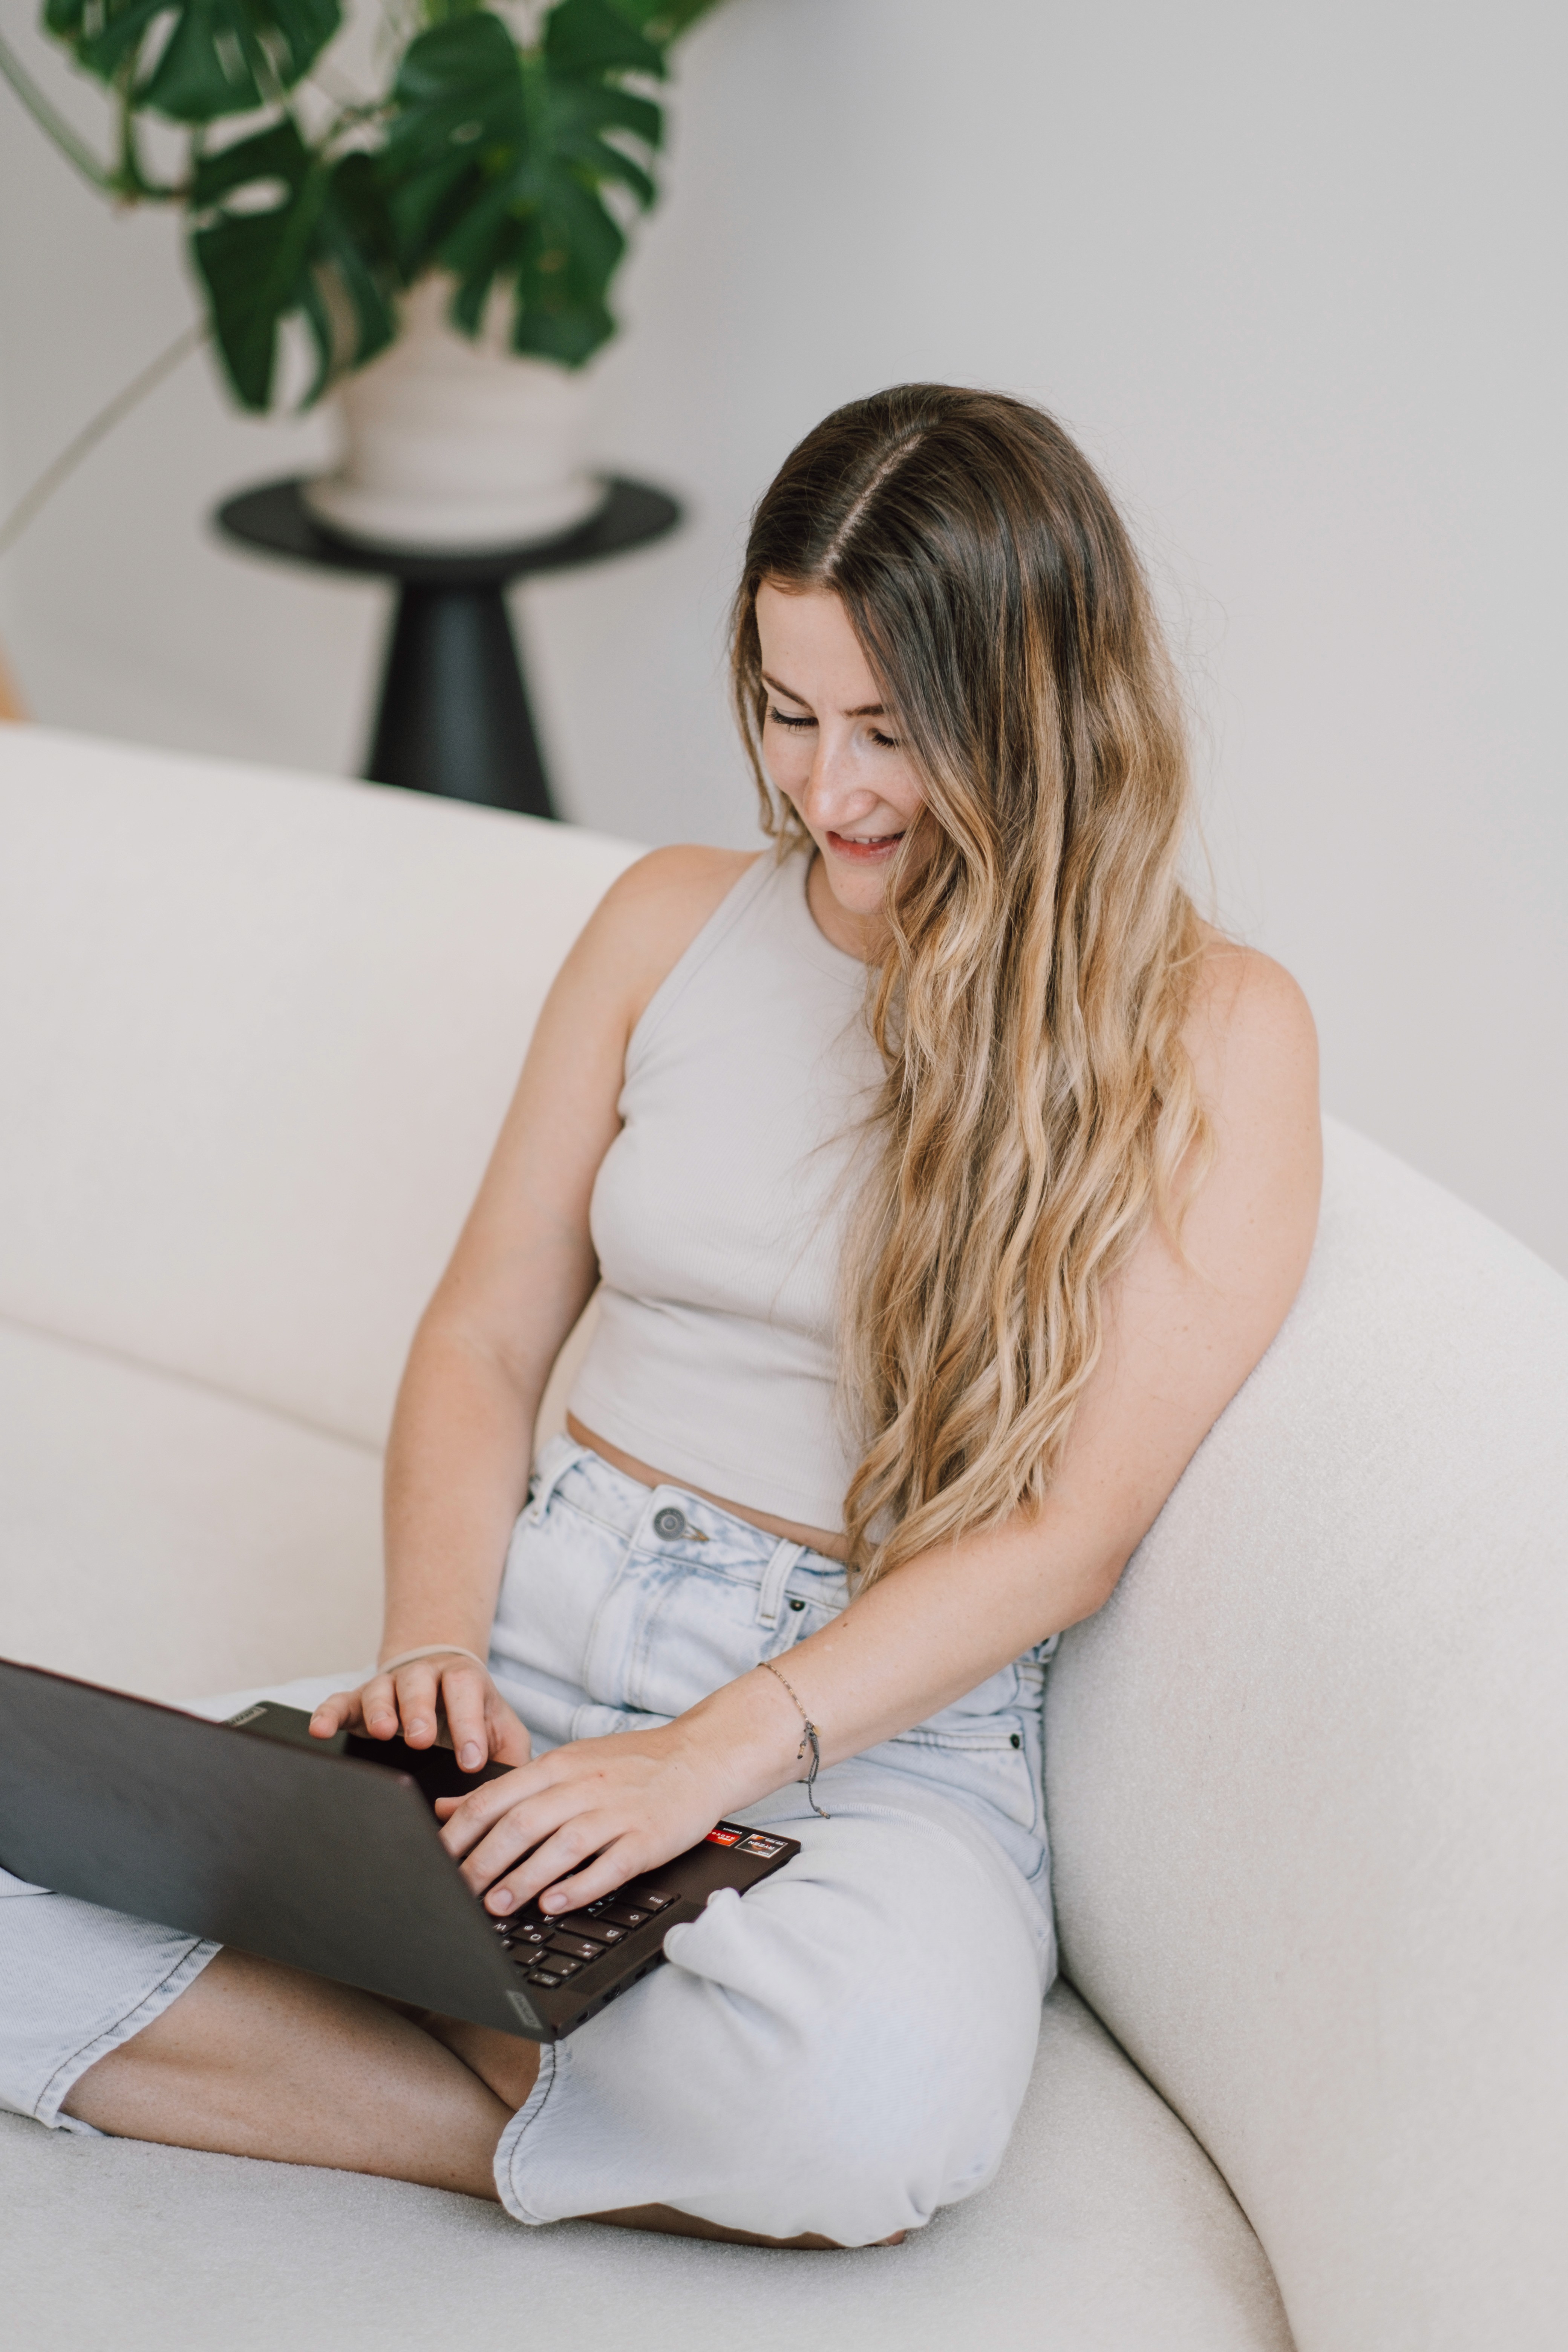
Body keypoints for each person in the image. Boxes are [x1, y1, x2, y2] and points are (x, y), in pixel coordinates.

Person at [0, 386, 1320, 2248]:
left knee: (867, 2113)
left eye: (890, 729)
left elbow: (1064, 1533)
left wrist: (705, 1756)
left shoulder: (1213, 1031)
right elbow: (480, 1340)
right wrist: (433, 1649)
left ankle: (445, 2046)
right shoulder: (667, 923)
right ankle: (555, 2070)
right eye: (787, 716)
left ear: (1034, 706)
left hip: (869, 1733)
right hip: (542, 1624)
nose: (825, 791)